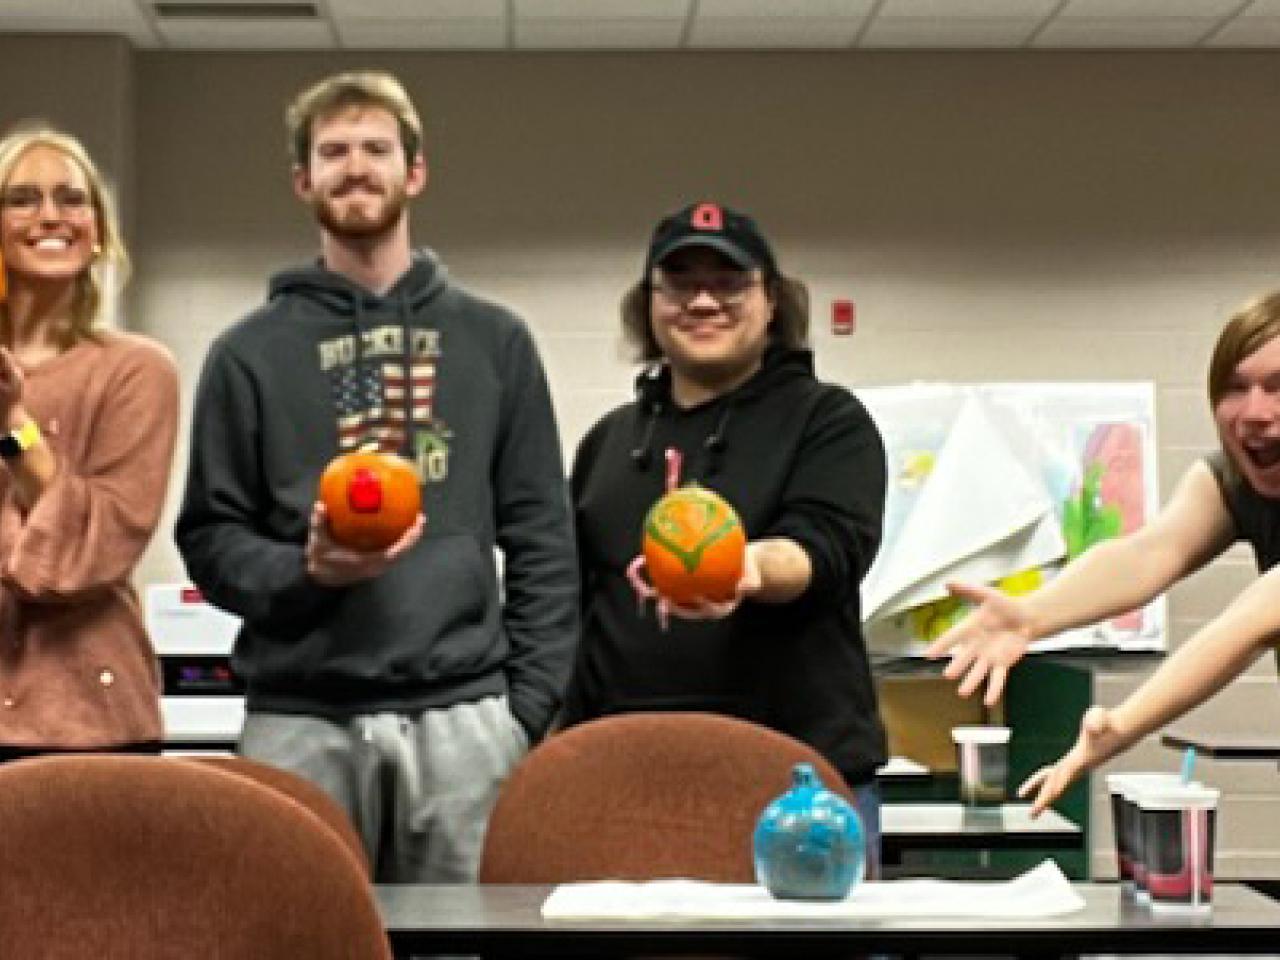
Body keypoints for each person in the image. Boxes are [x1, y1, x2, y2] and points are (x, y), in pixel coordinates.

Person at [175, 71, 577, 882]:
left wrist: (524, 710)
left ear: (414, 172)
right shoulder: (246, 353)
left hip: (464, 719)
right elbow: (211, 540)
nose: (355, 166)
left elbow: (542, 536)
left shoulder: (494, 340)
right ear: (303, 180)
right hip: (300, 719)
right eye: (333, 152)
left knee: (466, 946)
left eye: (375, 148)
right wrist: (306, 571)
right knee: (294, 940)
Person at [561, 200, 890, 871]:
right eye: (680, 283)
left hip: (794, 783)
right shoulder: (609, 441)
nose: (703, 301)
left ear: (773, 302)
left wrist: (746, 570)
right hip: (629, 775)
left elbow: (824, 548)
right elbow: (578, 604)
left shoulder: (827, 420)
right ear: (648, 305)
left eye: (730, 283)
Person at [926, 291, 1280, 813]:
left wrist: (1121, 728)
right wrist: (1031, 616)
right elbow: (1147, 554)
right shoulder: (1232, 482)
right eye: (1234, 388)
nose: (1253, 413)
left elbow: (1246, 625)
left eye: (1278, 388)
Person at [0, 123, 179, 761]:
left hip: (93, 724)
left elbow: (92, 548)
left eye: (72, 199)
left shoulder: (134, 370)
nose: (51, 215)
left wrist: (14, 424)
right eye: (22, 199)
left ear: (97, 228)